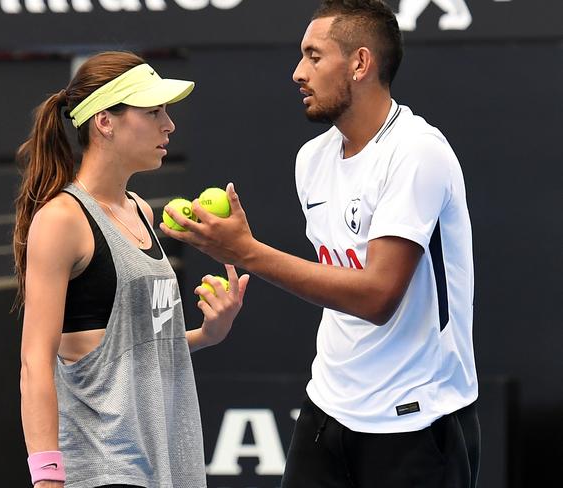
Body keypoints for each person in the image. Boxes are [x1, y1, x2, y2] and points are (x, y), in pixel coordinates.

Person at [160, 1, 479, 487]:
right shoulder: (311, 159)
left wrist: (245, 251)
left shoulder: (417, 153)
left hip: (417, 421)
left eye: (313, 56)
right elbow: (339, 282)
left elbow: (376, 297)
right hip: (326, 410)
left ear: (360, 63)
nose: (297, 73)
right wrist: (240, 250)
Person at [14, 51, 249, 488]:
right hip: (104, 467)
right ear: (105, 121)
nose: (169, 125)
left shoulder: (139, 209)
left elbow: (131, 347)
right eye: (154, 111)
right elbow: (35, 361)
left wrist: (207, 334)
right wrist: (47, 477)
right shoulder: (61, 219)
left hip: (165, 463)